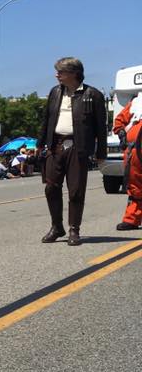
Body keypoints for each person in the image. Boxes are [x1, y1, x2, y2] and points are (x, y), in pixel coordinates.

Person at [38, 57, 107, 246]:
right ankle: (56, 227)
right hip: (55, 146)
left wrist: (101, 153)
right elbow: (46, 119)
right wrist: (40, 143)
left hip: (78, 147)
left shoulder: (92, 94)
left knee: (76, 190)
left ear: (74, 73)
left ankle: (74, 230)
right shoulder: (55, 92)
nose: (57, 75)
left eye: (61, 72)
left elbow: (101, 127)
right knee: (51, 187)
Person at [114, 90, 142, 230]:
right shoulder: (136, 103)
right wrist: (121, 132)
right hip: (134, 152)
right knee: (135, 186)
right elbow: (119, 120)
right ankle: (132, 219)